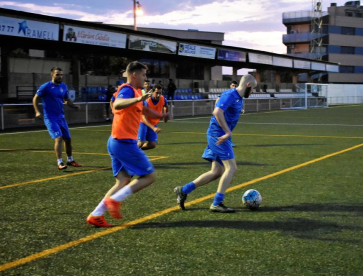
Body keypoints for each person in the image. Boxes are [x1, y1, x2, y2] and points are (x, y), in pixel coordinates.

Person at [87, 61, 168, 227]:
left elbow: (144, 110)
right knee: (149, 176)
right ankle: (115, 201)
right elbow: (117, 104)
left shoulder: (138, 91)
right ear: (135, 75)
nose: (146, 78)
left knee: (123, 180)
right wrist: (138, 98)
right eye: (144, 75)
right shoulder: (127, 89)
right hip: (123, 142)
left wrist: (160, 115)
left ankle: (96, 215)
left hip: (116, 141)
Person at [174, 74, 257, 213]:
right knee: (231, 168)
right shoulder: (231, 94)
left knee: (216, 171)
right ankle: (217, 203)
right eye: (253, 88)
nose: (253, 91)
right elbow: (217, 111)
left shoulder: (238, 98)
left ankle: (183, 190)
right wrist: (227, 132)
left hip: (220, 136)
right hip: (218, 135)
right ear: (248, 85)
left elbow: (219, 103)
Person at [33, 67, 82, 170]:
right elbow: (35, 98)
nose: (60, 77)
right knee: (58, 138)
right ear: (52, 75)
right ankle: (60, 162)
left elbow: (67, 98)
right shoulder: (46, 86)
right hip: (50, 118)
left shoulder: (63, 86)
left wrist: (74, 106)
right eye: (57, 75)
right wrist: (37, 111)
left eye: (61, 75)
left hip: (61, 117)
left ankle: (70, 160)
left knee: (68, 139)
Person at [138, 83, 169, 150]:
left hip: (153, 123)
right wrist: (153, 128)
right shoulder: (147, 101)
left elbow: (166, 106)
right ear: (152, 92)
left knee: (152, 144)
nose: (158, 95)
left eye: (160, 93)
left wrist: (165, 116)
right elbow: (144, 118)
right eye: (157, 93)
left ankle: (136, 151)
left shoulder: (163, 99)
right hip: (143, 122)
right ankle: (129, 154)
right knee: (140, 142)